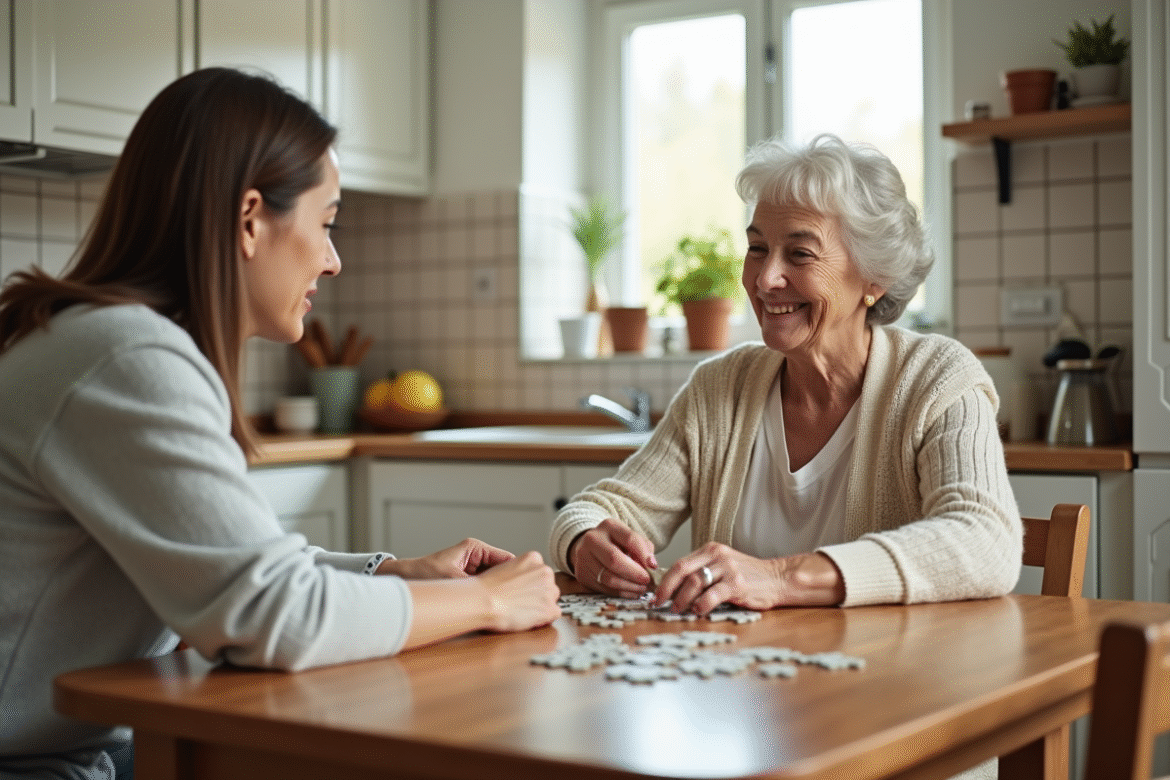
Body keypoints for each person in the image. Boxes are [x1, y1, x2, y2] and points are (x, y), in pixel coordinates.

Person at [0, 67, 560, 779]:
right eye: (325, 223)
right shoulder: (126, 356)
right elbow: (272, 615)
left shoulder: (106, 342)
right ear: (250, 218)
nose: (333, 260)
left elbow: (234, 571)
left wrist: (398, 574)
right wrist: (481, 601)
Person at [551, 133, 1022, 616]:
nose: (764, 278)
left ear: (875, 278)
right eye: (757, 248)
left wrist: (779, 578)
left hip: (888, 679)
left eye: (799, 254)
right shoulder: (720, 388)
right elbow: (600, 509)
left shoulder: (937, 379)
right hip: (739, 685)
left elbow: (985, 542)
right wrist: (584, 542)